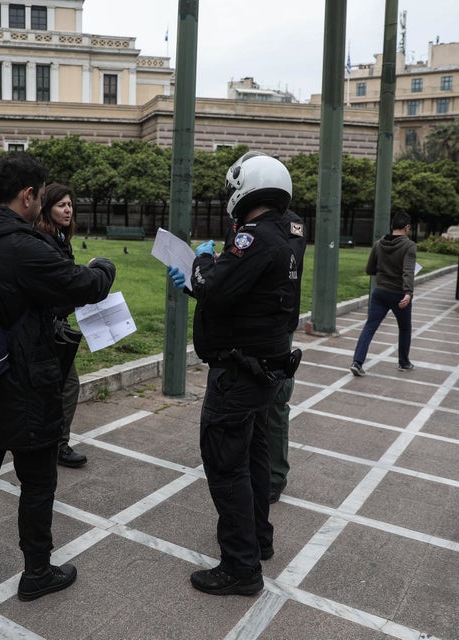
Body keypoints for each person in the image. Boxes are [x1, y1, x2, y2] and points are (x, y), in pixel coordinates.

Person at [0, 152, 116, 603]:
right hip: (24, 380)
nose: (44, 202)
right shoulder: (21, 246)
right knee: (38, 482)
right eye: (42, 195)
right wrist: (104, 267)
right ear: (28, 196)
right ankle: (37, 571)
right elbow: (82, 284)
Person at [167, 151, 301, 596]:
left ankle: (240, 568)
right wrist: (199, 279)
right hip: (263, 370)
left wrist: (199, 264)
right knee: (254, 459)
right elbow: (243, 296)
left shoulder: (253, 237)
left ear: (248, 187)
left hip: (239, 373)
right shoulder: (285, 235)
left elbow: (215, 287)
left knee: (226, 467)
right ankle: (258, 539)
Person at [35, 183, 87, 468]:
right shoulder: (45, 241)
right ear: (47, 209)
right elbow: (55, 289)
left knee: (62, 385)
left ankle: (53, 443)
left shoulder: (59, 238)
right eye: (61, 205)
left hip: (57, 324)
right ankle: (55, 445)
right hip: (47, 327)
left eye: (69, 204)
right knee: (67, 386)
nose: (68, 210)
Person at [268, 210, 306, 504]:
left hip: (277, 324)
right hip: (248, 325)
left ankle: (274, 476)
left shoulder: (290, 222)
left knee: (277, 400)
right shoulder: (247, 219)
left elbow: (286, 262)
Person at [350, 212, 417, 376]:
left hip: (380, 293)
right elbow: (408, 272)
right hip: (399, 294)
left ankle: (357, 362)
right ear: (407, 227)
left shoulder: (378, 244)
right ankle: (404, 362)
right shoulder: (409, 246)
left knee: (370, 326)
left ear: (392, 226)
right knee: (405, 328)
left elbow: (369, 269)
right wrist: (408, 293)